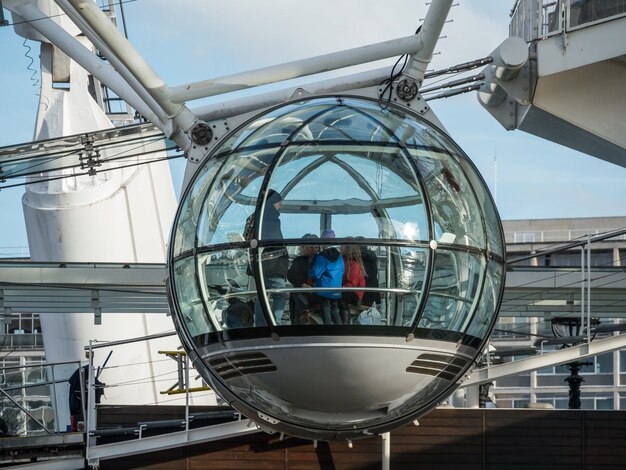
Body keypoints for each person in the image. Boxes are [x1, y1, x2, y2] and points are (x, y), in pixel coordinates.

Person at [252, 189, 289, 326]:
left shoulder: (259, 218)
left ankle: (261, 323)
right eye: (278, 203)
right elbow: (274, 241)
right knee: (280, 294)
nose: (280, 206)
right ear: (272, 203)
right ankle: (275, 322)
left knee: (262, 295)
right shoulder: (271, 219)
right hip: (273, 265)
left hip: (263, 264)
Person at [308, 229, 344, 325]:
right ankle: (339, 331)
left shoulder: (322, 257)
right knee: (334, 311)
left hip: (323, 290)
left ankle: (327, 331)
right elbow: (342, 271)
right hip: (336, 290)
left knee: (326, 311)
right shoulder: (340, 256)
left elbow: (315, 273)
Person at [287, 234, 319, 325]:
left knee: (298, 295)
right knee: (298, 295)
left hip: (317, 290)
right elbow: (291, 275)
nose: (313, 249)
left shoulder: (320, 260)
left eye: (316, 247)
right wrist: (301, 284)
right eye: (311, 247)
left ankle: (303, 316)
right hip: (304, 289)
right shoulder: (299, 261)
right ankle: (300, 318)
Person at [340, 245, 366, 322]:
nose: (340, 248)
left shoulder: (355, 265)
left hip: (355, 292)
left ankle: (345, 321)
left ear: (348, 249)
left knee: (340, 298)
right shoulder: (343, 261)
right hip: (346, 289)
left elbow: (352, 284)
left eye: (342, 246)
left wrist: (338, 288)